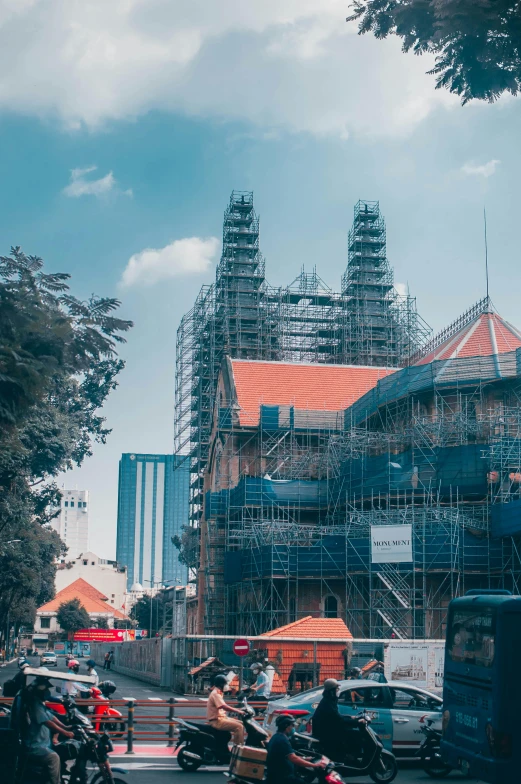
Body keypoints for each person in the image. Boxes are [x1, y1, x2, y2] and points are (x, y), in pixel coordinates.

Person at [15, 676, 75, 784]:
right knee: (54, 757)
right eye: (45, 689)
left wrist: (65, 727)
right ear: (39, 690)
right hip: (35, 745)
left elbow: (51, 717)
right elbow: (47, 722)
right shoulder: (34, 705)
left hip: (43, 743)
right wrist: (65, 732)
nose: (47, 692)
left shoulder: (39, 703)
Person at [311, 679, 366, 762]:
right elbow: (338, 719)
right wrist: (357, 722)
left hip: (329, 729)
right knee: (355, 735)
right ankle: (350, 758)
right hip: (326, 732)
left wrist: (351, 718)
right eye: (337, 689)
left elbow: (336, 716)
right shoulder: (328, 703)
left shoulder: (330, 701)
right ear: (332, 691)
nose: (338, 691)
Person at [266, 714, 325, 784]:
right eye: (292, 725)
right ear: (286, 726)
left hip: (279, 775)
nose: (293, 727)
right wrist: (314, 765)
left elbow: (290, 755)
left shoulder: (276, 737)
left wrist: (305, 758)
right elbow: (293, 758)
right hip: (282, 778)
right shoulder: (282, 740)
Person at [206, 674, 246, 745]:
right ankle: (238, 749)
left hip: (222, 718)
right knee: (239, 727)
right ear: (221, 684)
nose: (227, 685)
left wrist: (240, 709)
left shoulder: (219, 692)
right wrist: (238, 711)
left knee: (241, 723)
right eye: (226, 684)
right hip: (217, 721)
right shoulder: (216, 694)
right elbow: (224, 706)